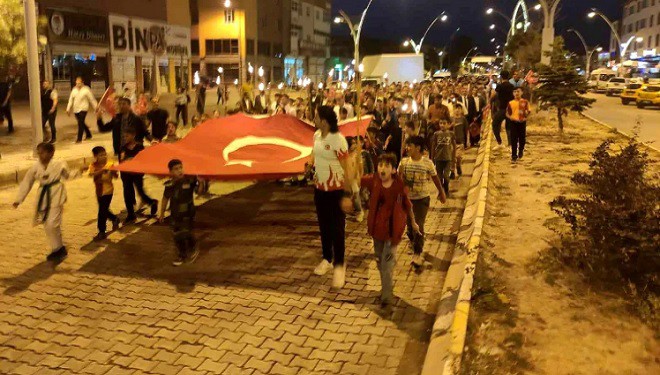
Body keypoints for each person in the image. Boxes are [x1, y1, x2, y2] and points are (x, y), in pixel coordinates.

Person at [360, 153, 421, 307]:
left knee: (386, 266)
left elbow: (408, 206)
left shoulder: (399, 188)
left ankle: (386, 297)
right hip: (376, 232)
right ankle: (386, 287)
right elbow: (356, 179)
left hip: (391, 234)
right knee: (380, 263)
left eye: (386, 166)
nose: (382, 168)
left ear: (393, 170)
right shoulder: (374, 181)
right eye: (380, 165)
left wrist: (413, 223)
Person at [310, 106, 353, 289]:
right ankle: (327, 258)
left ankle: (339, 265)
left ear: (324, 122)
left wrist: (347, 194)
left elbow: (347, 168)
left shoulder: (339, 140)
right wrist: (309, 164)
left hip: (336, 191)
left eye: (316, 117)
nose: (314, 120)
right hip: (320, 189)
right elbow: (314, 154)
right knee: (324, 226)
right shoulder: (317, 136)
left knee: (337, 230)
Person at [13, 143, 73, 263]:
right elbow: (27, 182)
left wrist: (81, 172)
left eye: (43, 152)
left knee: (52, 223)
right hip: (43, 196)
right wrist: (19, 199)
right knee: (47, 224)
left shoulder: (59, 164)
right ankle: (58, 248)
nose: (40, 155)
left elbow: (67, 175)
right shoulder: (35, 167)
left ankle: (59, 248)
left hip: (56, 194)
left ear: (51, 153)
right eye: (39, 152)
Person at [398, 136, 446, 267]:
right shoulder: (403, 162)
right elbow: (398, 179)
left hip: (422, 200)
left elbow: (436, 179)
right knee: (409, 228)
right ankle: (414, 242)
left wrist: (441, 192)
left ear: (418, 148)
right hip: (407, 200)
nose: (407, 148)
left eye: (410, 146)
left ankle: (417, 253)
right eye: (407, 145)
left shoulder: (428, 163)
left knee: (418, 224)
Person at [159, 159, 202, 266]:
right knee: (177, 235)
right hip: (175, 214)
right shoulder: (170, 185)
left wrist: (201, 182)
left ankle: (191, 249)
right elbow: (165, 199)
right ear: (170, 172)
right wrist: (162, 213)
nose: (179, 171)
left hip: (188, 212)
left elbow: (199, 192)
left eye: (180, 167)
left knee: (186, 232)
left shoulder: (190, 180)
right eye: (176, 169)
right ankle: (183, 254)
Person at [119, 128, 158, 223]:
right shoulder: (123, 148)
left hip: (137, 174)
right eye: (124, 136)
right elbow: (121, 161)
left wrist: (133, 161)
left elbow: (143, 160)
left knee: (140, 191)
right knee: (127, 194)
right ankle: (131, 214)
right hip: (126, 174)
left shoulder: (139, 147)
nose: (125, 138)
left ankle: (151, 202)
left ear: (133, 135)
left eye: (127, 136)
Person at [87, 146, 120, 241]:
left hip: (108, 191)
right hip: (99, 191)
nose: (104, 156)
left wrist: (113, 172)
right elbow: (91, 174)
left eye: (104, 154)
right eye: (101, 155)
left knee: (101, 211)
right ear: (95, 156)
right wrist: (102, 170)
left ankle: (101, 231)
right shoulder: (93, 165)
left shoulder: (110, 164)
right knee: (104, 209)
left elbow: (116, 176)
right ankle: (114, 218)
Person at [67, 77, 97, 143]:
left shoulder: (86, 90)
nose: (78, 84)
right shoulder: (74, 90)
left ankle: (79, 139)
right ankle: (88, 134)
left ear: (82, 82)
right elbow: (71, 100)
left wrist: (96, 107)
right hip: (76, 109)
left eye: (79, 83)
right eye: (76, 83)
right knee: (81, 122)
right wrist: (68, 108)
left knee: (80, 123)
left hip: (84, 108)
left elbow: (92, 99)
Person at [431, 119, 456, 196]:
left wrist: (453, 158)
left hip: (447, 158)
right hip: (438, 158)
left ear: (448, 124)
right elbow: (433, 146)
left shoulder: (451, 134)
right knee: (439, 177)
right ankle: (441, 191)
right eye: (440, 123)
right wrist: (432, 158)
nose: (442, 125)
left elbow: (454, 146)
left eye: (444, 123)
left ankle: (446, 189)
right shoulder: (436, 134)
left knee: (446, 176)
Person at [506, 87, 531, 162]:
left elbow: (528, 111)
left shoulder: (525, 102)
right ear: (513, 93)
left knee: (522, 139)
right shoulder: (510, 103)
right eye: (515, 92)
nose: (516, 93)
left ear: (521, 92)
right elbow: (507, 113)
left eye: (518, 91)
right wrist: (511, 118)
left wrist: (526, 116)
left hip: (522, 122)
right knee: (513, 139)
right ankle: (514, 155)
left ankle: (520, 151)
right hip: (513, 122)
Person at [490, 71, 515, 148]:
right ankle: (510, 144)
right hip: (510, 109)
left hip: (502, 109)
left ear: (501, 77)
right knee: (509, 127)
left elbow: (493, 95)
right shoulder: (512, 86)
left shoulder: (499, 86)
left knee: (495, 124)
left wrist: (490, 101)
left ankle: (499, 142)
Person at [452, 103, 468, 177]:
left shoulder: (463, 119)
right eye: (456, 108)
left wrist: (467, 141)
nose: (457, 110)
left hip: (460, 141)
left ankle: (458, 166)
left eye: (459, 108)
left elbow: (466, 130)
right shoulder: (451, 119)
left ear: (461, 110)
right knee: (452, 158)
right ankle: (452, 171)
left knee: (458, 157)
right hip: (452, 142)